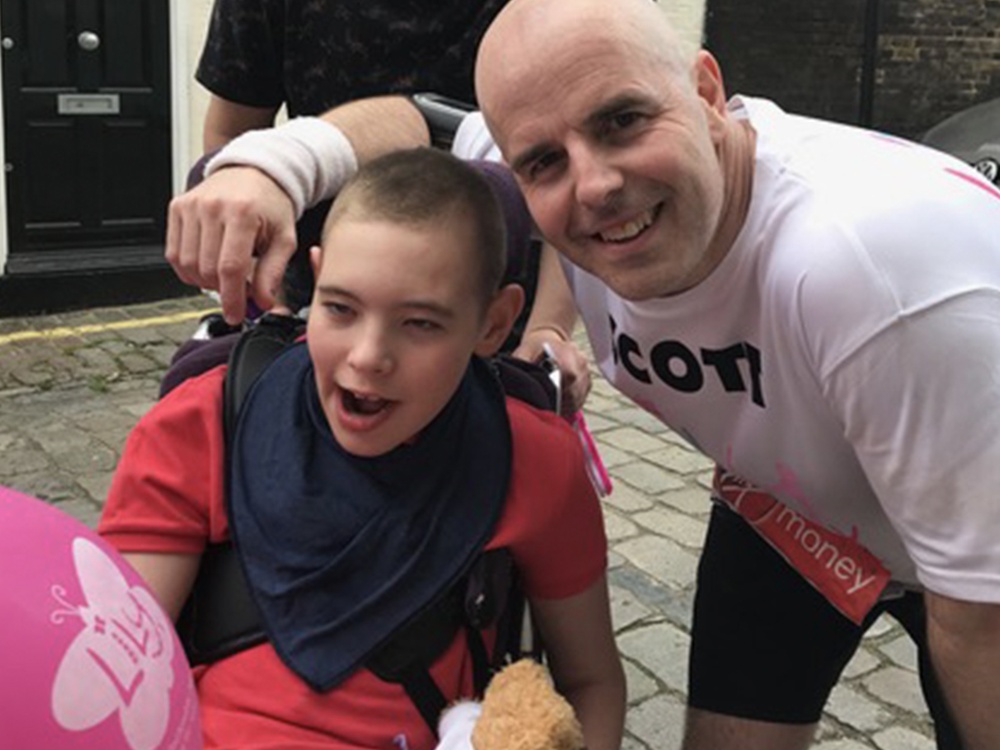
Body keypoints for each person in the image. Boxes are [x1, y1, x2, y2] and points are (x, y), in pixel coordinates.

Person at [469, 1, 1000, 749]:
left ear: (709, 93)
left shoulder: (865, 269)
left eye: (622, 120)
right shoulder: (558, 170)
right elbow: (415, 123)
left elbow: (980, 618)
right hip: (796, 502)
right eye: (543, 162)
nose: (592, 187)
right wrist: (279, 166)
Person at [100, 148, 625, 750]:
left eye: (420, 323)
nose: (368, 356)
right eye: (341, 308)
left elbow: (592, 682)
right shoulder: (203, 425)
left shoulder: (533, 459)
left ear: (493, 324)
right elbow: (114, 673)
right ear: (315, 279)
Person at [172, 0, 590, 411]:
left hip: (504, 324)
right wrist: (263, 289)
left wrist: (548, 326)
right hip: (319, 312)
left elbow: (574, 169)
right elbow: (233, 129)